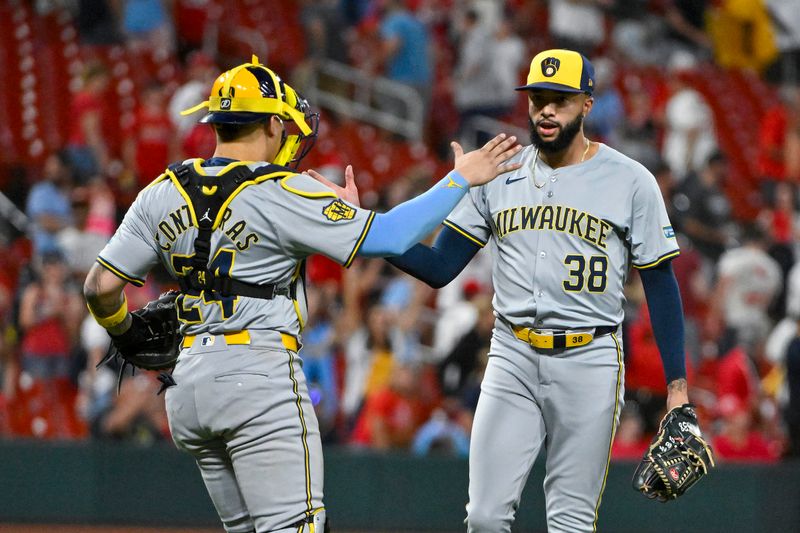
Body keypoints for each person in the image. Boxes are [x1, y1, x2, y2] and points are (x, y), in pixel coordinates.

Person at [82, 56, 521, 533]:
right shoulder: (281, 190)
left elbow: (100, 286)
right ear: (272, 122)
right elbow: (394, 237)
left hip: (188, 389)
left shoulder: (161, 191)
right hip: (258, 378)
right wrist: (461, 176)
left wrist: (124, 332)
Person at [367, 48, 698, 531]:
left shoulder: (631, 181)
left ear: (586, 104)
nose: (546, 109)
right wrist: (364, 230)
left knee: (570, 521)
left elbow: (661, 285)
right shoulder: (497, 171)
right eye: (538, 98)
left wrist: (677, 390)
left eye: (559, 99)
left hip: (591, 358)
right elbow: (439, 267)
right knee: (482, 518)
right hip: (512, 355)